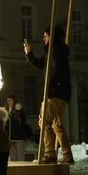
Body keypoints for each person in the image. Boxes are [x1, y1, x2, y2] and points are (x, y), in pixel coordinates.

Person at [23, 26, 72, 163]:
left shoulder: (56, 51)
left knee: (44, 121)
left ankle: (50, 153)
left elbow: (57, 71)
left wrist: (51, 86)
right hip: (61, 93)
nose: (44, 38)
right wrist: (29, 53)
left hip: (55, 93)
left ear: (52, 37)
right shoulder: (55, 51)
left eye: (46, 36)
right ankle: (67, 155)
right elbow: (41, 65)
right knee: (57, 125)